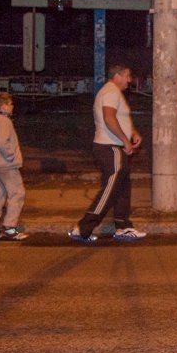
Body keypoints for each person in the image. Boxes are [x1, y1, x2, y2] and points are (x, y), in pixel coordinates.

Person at [69, 64, 147, 243]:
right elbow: (109, 118)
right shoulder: (111, 92)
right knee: (111, 188)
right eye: (127, 76)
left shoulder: (112, 92)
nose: (129, 80)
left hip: (113, 146)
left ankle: (123, 226)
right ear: (118, 76)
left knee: (121, 187)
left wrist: (132, 132)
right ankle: (83, 227)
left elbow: (119, 119)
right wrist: (125, 141)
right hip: (110, 147)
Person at [0, 92, 27, 241]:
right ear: (3, 106)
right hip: (6, 165)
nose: (12, 106)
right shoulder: (5, 121)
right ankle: (10, 227)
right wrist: (11, 156)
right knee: (17, 193)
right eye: (10, 104)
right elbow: (3, 142)